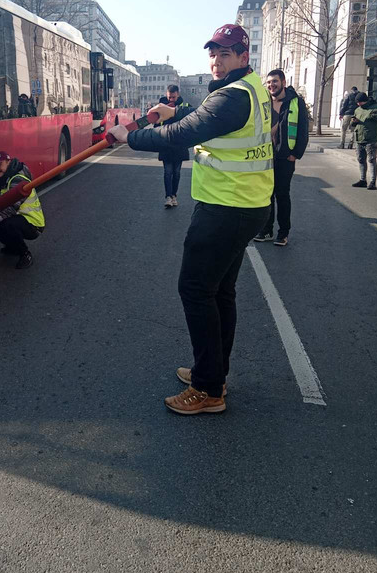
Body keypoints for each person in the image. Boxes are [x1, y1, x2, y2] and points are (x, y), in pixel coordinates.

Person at [109, 24, 273, 415]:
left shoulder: (232, 97)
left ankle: (207, 389)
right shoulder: (251, 88)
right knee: (220, 292)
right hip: (246, 204)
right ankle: (213, 371)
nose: (216, 61)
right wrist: (174, 110)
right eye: (213, 53)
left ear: (243, 57)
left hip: (226, 208)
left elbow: (182, 133)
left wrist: (127, 137)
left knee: (196, 290)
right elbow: (205, 118)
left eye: (225, 54)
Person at [253, 69, 309, 246]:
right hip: (266, 156)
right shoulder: (264, 102)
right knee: (266, 195)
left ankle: (283, 233)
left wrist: (295, 154)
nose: (271, 85)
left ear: (283, 82)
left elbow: (303, 129)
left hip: (286, 156)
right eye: (268, 82)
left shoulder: (295, 101)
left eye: (275, 81)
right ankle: (266, 230)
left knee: (282, 195)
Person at [0, 151, 45, 269]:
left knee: (4, 224)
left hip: (33, 224)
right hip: (19, 219)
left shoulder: (18, 180)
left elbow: (10, 208)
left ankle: (25, 254)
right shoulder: (1, 181)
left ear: (8, 163)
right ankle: (12, 247)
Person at [155, 85, 193, 208]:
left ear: (178, 95)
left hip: (179, 145)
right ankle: (168, 197)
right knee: (167, 172)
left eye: (174, 97)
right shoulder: (160, 108)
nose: (171, 99)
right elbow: (155, 126)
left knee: (176, 173)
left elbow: (192, 123)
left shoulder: (185, 107)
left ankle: (174, 196)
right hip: (166, 144)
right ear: (166, 95)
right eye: (169, 97)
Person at [350, 91, 377, 190]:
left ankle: (373, 182)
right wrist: (353, 122)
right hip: (359, 138)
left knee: (371, 160)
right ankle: (362, 180)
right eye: (357, 103)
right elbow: (353, 123)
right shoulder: (357, 110)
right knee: (361, 160)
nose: (358, 104)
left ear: (364, 101)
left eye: (360, 102)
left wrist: (371, 115)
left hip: (371, 138)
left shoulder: (375, 107)